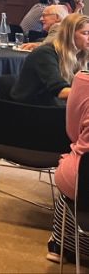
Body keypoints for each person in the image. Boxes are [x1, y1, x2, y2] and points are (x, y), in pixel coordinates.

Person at [47, 69, 89, 266]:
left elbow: (72, 133)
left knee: (70, 164)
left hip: (83, 179)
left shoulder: (83, 80)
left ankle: (60, 242)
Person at [11, 13, 89, 107]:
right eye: (85, 33)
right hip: (29, 110)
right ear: (69, 34)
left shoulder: (82, 55)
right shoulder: (45, 54)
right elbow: (60, 92)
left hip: (54, 106)